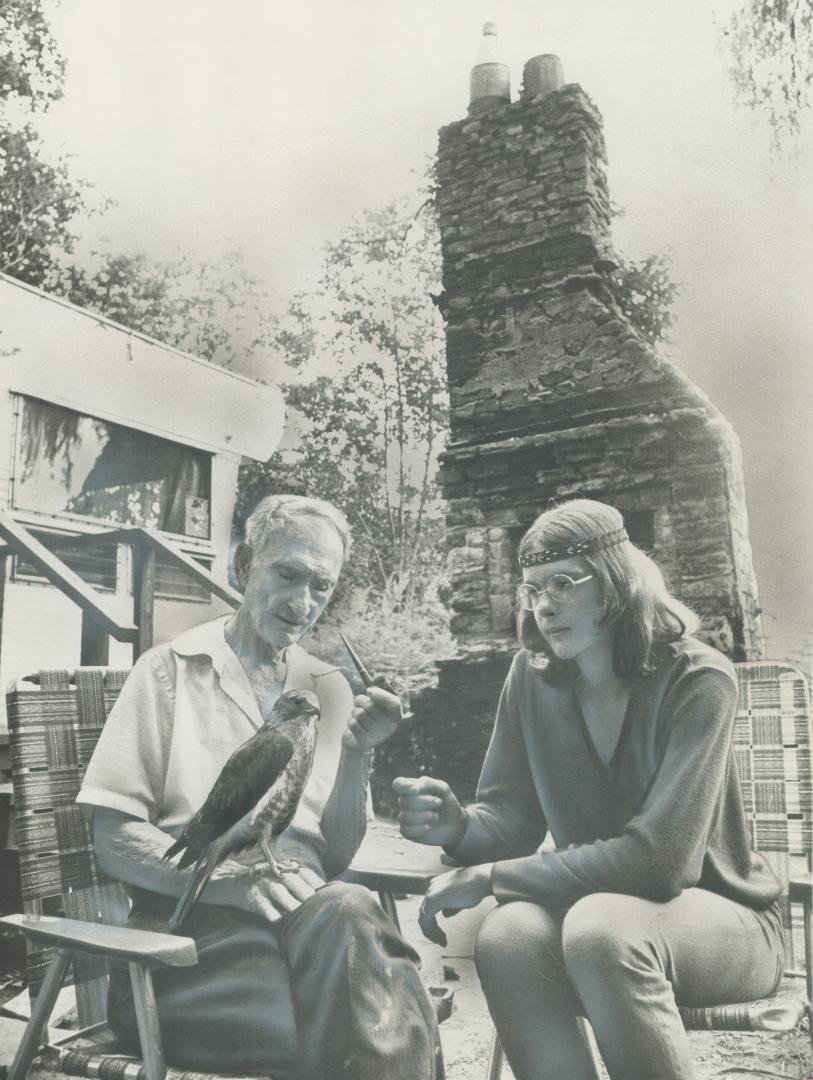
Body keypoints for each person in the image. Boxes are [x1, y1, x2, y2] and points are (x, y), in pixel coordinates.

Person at [389, 498, 784, 1080]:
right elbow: (512, 820)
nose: (543, 607)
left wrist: (492, 877)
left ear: (616, 585)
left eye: (563, 584)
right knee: (508, 935)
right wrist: (460, 827)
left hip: (727, 924)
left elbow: (660, 863)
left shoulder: (699, 679)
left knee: (601, 929)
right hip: (591, 916)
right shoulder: (532, 678)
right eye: (532, 590)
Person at [77, 494, 444, 1080]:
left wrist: (357, 755)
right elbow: (113, 839)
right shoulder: (169, 671)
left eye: (321, 586)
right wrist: (231, 883)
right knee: (370, 1017)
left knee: (350, 914)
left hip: (314, 929)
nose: (302, 604)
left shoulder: (328, 690)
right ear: (245, 566)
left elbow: (339, 855)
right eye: (287, 574)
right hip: (186, 939)